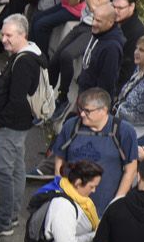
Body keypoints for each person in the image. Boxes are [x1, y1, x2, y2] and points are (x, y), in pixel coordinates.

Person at [46, 88, 139, 220]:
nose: (82, 114)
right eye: (81, 109)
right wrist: (59, 187)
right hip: (70, 206)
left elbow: (131, 169)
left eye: (87, 111)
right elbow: (59, 159)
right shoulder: (71, 126)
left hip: (103, 209)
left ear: (103, 110)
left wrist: (116, 202)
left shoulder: (123, 131)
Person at [112, 36, 144, 137]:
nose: (136, 52)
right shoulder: (139, 68)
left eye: (141, 50)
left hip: (139, 134)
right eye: (136, 48)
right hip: (121, 125)